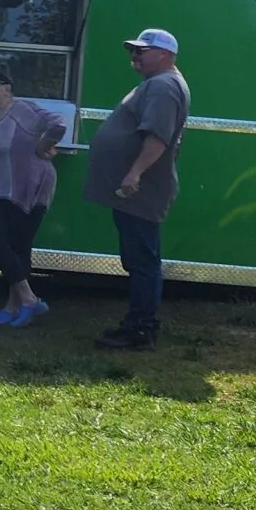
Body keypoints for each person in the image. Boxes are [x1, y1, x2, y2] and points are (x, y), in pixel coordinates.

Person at [84, 29, 189, 351]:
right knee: (139, 259)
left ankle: (141, 330)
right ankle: (139, 325)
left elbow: (157, 137)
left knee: (142, 261)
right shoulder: (157, 83)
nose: (134, 55)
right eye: (132, 50)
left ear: (164, 54)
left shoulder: (164, 86)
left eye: (141, 51)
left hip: (140, 190)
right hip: (137, 190)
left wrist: (134, 173)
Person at [0, 69, 67, 327]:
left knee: (12, 243)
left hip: (29, 186)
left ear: (7, 89)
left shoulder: (22, 110)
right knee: (2, 242)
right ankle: (21, 303)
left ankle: (21, 303)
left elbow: (58, 124)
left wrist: (43, 145)